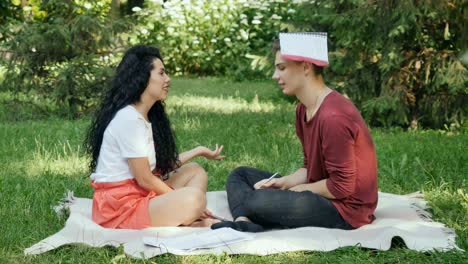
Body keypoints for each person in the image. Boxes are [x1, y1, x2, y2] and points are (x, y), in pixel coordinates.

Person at [212, 32, 378, 232]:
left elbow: (343, 187)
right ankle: (245, 221)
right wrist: (285, 182)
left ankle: (250, 211)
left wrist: (297, 191)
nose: (275, 76)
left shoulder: (334, 117)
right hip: (321, 191)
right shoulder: (303, 109)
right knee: (240, 176)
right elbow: (310, 167)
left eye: (281, 68)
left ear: (306, 67)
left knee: (258, 200)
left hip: (345, 209)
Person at [84, 45, 224, 229]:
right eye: (161, 73)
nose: (168, 79)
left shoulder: (142, 116)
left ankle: (185, 217)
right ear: (142, 77)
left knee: (195, 171)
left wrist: (197, 151)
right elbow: (145, 179)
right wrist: (176, 197)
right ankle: (189, 218)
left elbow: (157, 169)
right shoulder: (129, 119)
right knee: (195, 199)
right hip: (119, 208)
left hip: (139, 193)